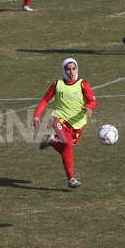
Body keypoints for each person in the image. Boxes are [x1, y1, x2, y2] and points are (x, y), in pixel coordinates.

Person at [33, 58, 97, 189]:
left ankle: (51, 141)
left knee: (69, 148)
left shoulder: (83, 84)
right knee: (68, 146)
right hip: (60, 119)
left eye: (73, 68)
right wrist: (37, 114)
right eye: (68, 69)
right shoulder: (58, 84)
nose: (71, 72)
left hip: (77, 123)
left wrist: (90, 107)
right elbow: (46, 99)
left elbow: (92, 100)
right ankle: (71, 178)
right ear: (64, 70)